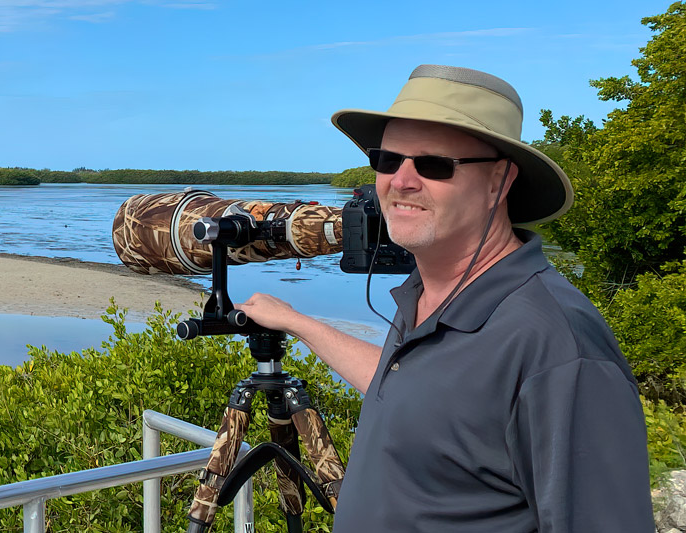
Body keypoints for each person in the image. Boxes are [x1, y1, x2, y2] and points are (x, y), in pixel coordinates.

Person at [236, 65, 653, 531]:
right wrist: (299, 322)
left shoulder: (557, 344)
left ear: (499, 181)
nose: (402, 181)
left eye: (434, 164)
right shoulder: (428, 293)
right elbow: (418, 392)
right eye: (388, 160)